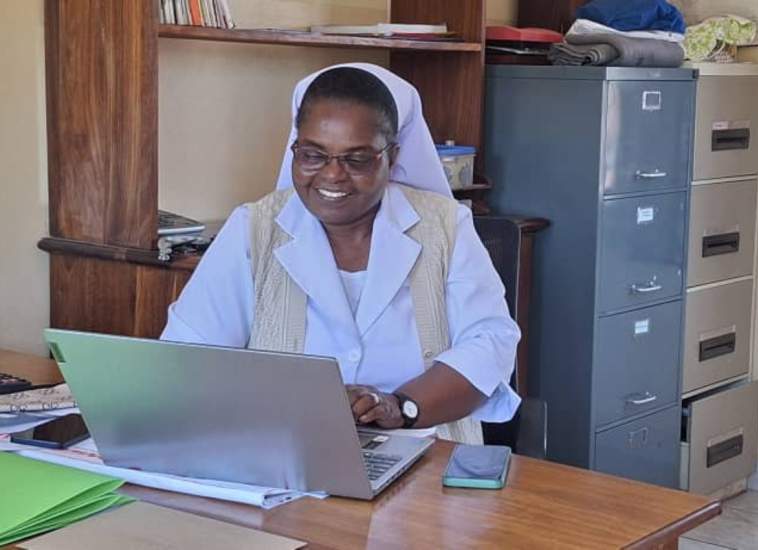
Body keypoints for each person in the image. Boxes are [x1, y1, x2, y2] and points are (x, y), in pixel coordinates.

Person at [161, 63, 520, 444]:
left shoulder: (447, 226)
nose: (332, 175)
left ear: (392, 157)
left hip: (426, 453)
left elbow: (491, 340)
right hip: (285, 456)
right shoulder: (253, 229)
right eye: (313, 155)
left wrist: (400, 408)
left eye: (357, 159)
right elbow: (187, 358)